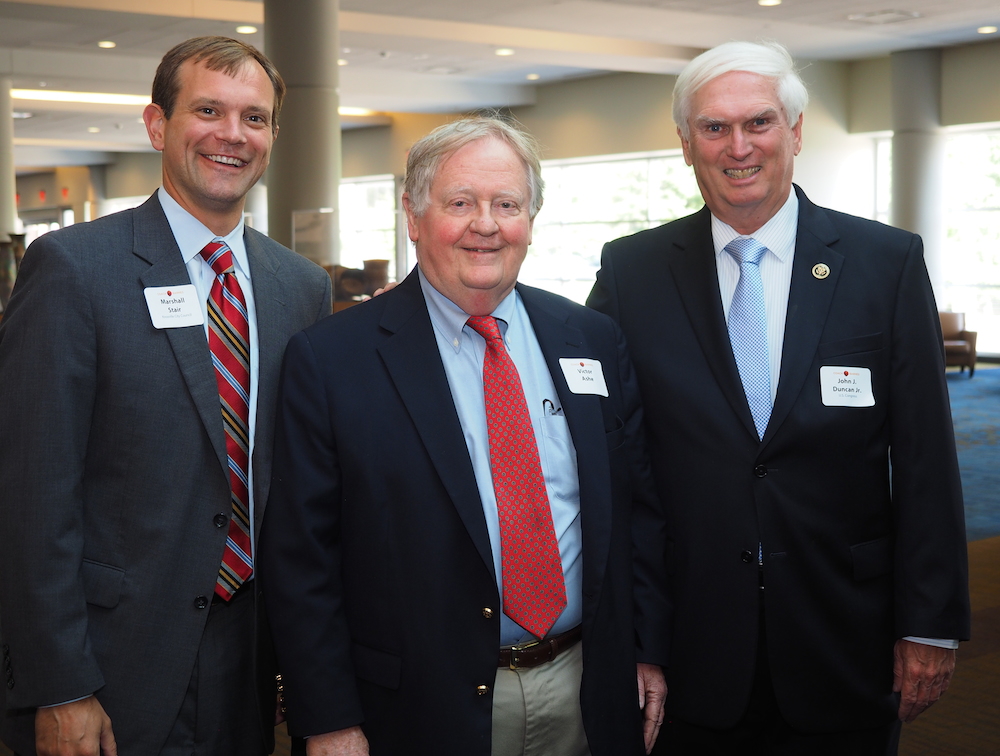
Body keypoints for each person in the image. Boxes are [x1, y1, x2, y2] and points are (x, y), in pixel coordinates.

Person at [587, 40, 971, 754]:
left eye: (759, 123)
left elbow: (924, 456)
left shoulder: (886, 264)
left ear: (795, 133)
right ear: (685, 144)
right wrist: (634, 633)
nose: (739, 146)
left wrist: (928, 623)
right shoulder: (631, 271)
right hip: (689, 646)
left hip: (845, 638)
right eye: (714, 127)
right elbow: (607, 453)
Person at [259, 116, 671, 756]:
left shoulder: (589, 338)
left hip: (587, 686)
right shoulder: (333, 360)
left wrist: (647, 649)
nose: (486, 224)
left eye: (507, 204)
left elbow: (636, 511)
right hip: (422, 704)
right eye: (460, 203)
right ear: (414, 216)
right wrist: (328, 717)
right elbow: (302, 557)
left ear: (530, 220)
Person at [0, 36, 332, 756]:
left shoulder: (298, 287)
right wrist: (59, 685)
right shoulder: (74, 269)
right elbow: (30, 497)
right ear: (157, 125)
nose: (231, 135)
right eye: (208, 110)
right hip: (113, 661)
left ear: (273, 134)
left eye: (254, 117)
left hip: (253, 659)